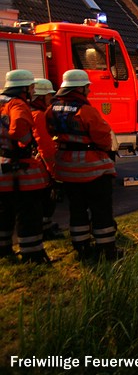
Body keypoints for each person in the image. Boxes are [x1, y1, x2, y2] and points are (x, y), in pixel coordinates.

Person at [46, 69, 120, 261]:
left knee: (77, 209)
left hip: (66, 168)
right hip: (92, 169)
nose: (88, 90)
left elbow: (49, 130)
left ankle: (81, 246)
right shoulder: (85, 110)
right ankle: (106, 250)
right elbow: (103, 137)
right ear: (80, 88)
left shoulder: (51, 109)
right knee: (101, 210)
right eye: (87, 87)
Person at [0, 70, 51, 263]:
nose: (32, 91)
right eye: (30, 87)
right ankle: (32, 254)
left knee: (4, 211)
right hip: (20, 167)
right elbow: (19, 126)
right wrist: (26, 141)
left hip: (2, 163)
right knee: (28, 211)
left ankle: (3, 249)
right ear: (22, 88)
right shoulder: (18, 104)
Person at [30, 78, 65, 241]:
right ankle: (44, 230)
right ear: (41, 97)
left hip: (32, 165)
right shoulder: (38, 115)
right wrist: (54, 172)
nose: (51, 100)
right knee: (46, 200)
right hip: (40, 166)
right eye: (49, 96)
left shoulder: (28, 111)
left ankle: (44, 228)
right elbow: (45, 146)